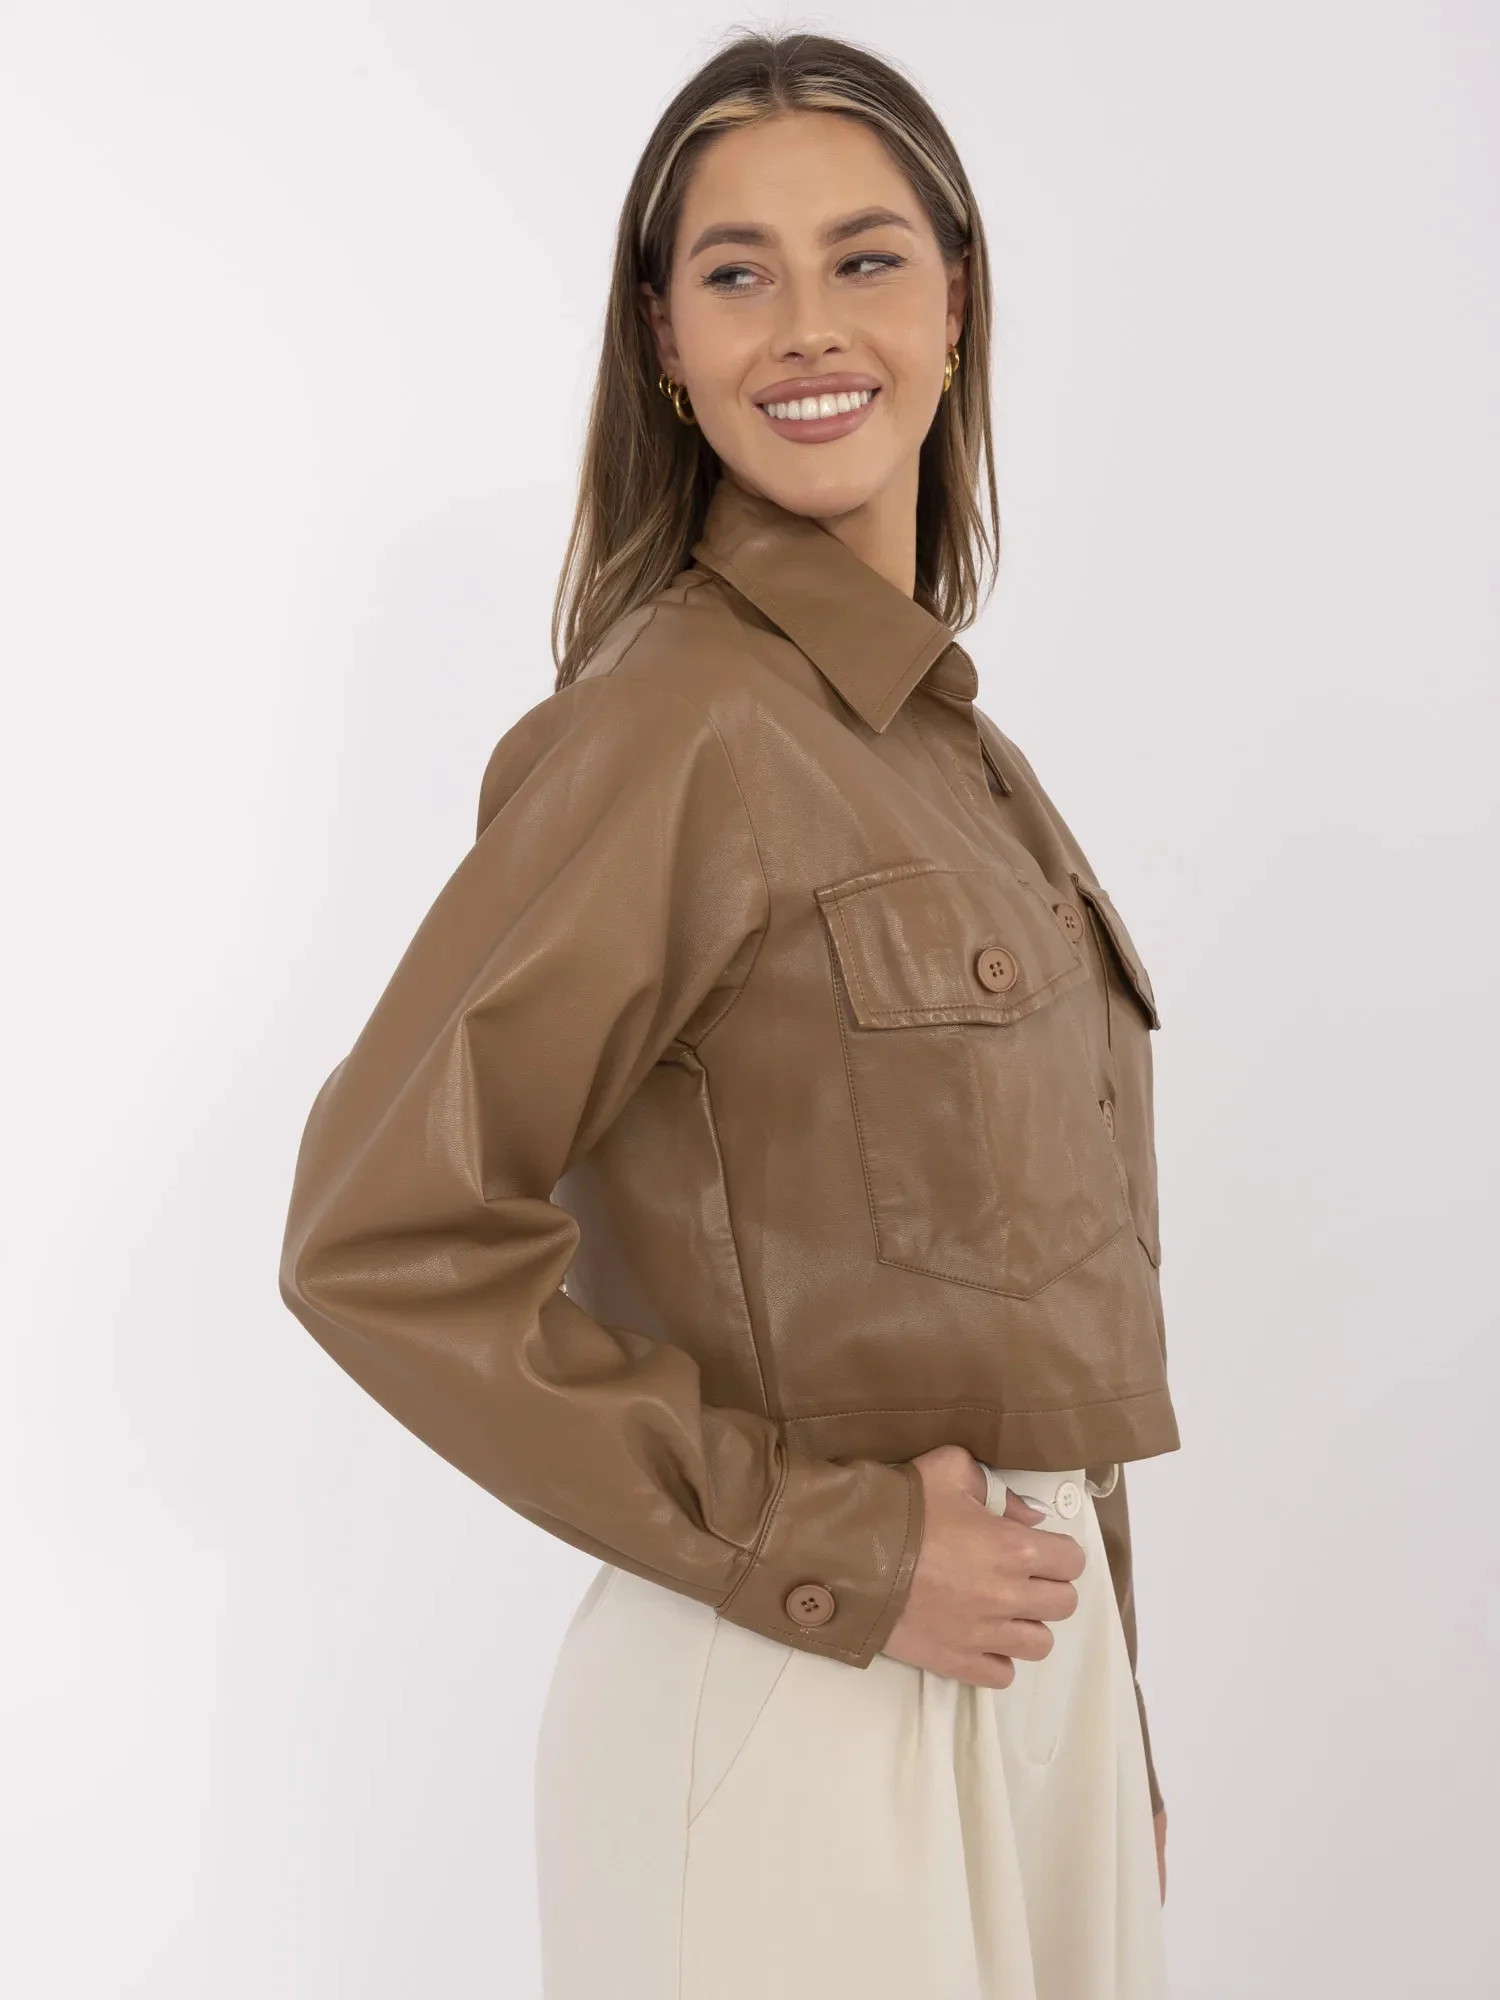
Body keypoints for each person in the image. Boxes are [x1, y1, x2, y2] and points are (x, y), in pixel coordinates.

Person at [279, 27, 1180, 1999]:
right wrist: (835, 1549)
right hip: (802, 1700)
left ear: (958, 302)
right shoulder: (677, 723)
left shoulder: (963, 765)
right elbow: (374, 1232)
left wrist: (1113, 1725)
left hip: (1027, 1693)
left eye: (865, 257)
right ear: (665, 342)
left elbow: (1037, 1331)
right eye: (737, 272)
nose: (807, 325)